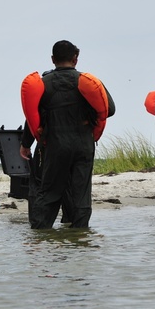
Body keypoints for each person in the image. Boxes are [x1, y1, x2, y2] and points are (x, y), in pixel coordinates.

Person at [20, 40, 114, 229]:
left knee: (50, 192)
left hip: (56, 146)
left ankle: (42, 236)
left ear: (53, 59)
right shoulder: (89, 83)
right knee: (81, 193)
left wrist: (25, 144)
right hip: (83, 145)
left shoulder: (43, 84)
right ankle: (80, 239)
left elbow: (32, 119)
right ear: (75, 59)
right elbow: (109, 109)